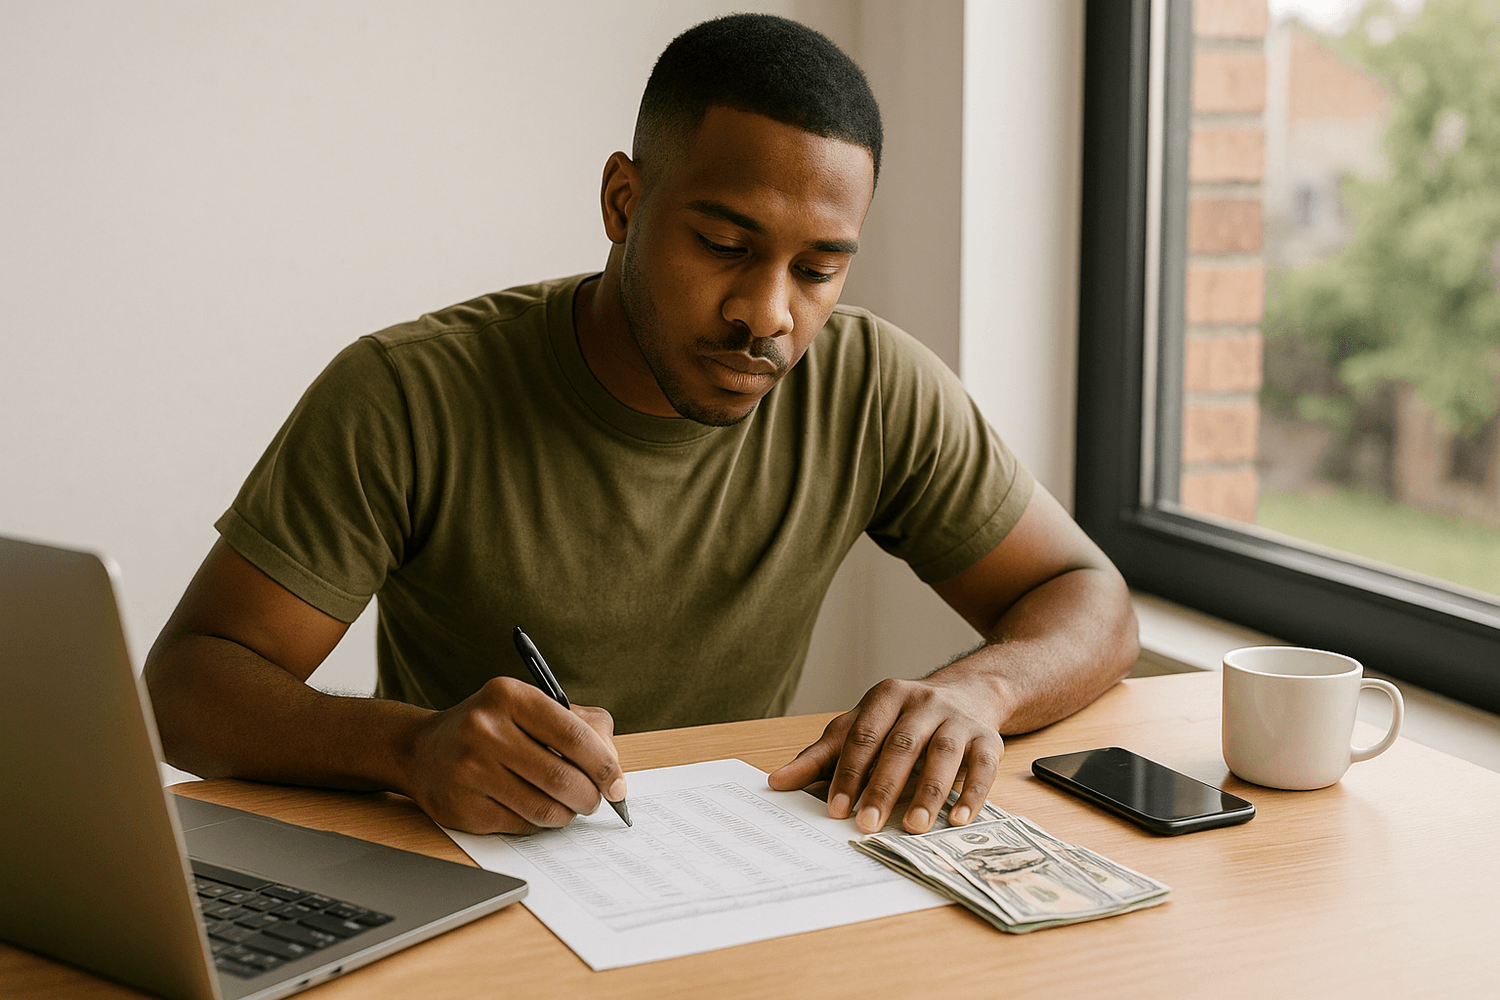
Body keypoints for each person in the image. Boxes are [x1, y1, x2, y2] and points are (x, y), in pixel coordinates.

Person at [144, 13, 1137, 841]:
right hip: (469, 879)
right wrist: (408, 749)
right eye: (723, 244)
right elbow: (187, 686)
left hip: (727, 876)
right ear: (624, 202)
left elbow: (1087, 596)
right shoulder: (407, 393)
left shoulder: (873, 386)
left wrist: (979, 693)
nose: (768, 314)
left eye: (818, 268)